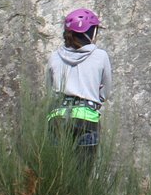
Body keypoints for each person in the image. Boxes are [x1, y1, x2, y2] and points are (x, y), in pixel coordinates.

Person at [46, 8, 111, 155]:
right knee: (83, 171)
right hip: (86, 118)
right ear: (91, 32)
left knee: (57, 172)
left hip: (58, 117)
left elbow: (49, 91)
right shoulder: (100, 56)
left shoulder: (54, 57)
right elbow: (105, 93)